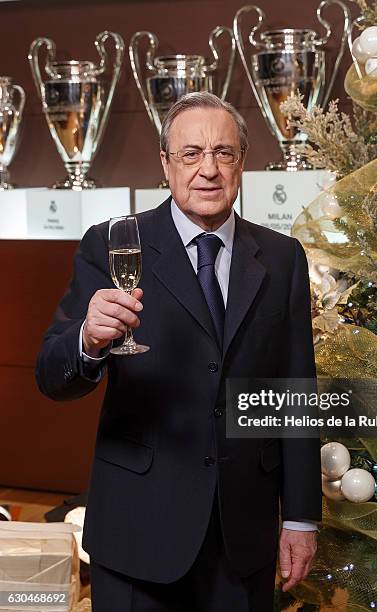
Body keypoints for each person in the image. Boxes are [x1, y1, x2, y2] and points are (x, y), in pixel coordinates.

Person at [36, 92, 321, 612]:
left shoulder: (283, 258)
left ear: (242, 163)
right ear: (166, 163)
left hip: (243, 537)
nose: (207, 169)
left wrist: (300, 517)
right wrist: (87, 341)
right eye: (190, 154)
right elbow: (52, 375)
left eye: (223, 153)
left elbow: (296, 392)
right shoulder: (113, 243)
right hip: (138, 530)